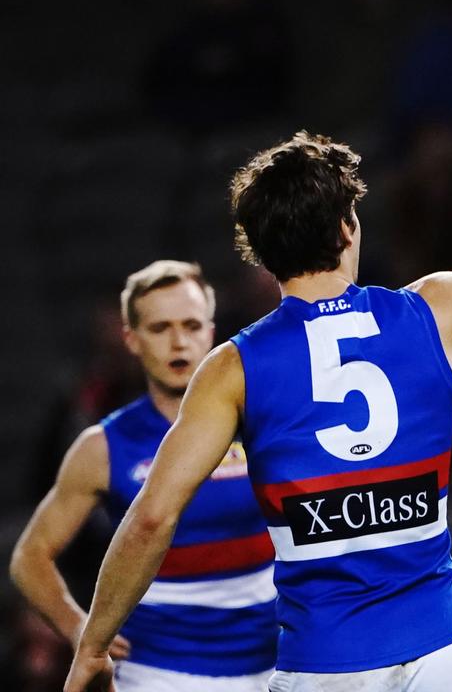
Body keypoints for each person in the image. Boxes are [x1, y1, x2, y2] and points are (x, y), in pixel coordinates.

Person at [64, 27, 452, 692]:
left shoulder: (232, 368)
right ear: (346, 230)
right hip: (440, 650)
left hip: (324, 663)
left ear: (261, 253)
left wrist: (93, 644)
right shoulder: (433, 311)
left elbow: (153, 516)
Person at [11, 261, 277, 691]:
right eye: (160, 328)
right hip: (159, 674)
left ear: (211, 331)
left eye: (191, 325)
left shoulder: (261, 420)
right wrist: (80, 628)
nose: (179, 342)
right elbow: (30, 556)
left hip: (276, 668)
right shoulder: (103, 446)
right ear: (131, 340)